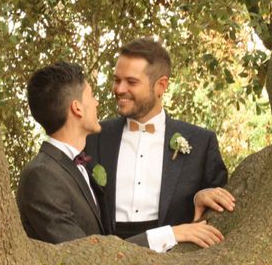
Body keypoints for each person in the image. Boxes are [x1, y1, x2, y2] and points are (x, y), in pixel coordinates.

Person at [16, 61, 224, 250]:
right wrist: (172, 233)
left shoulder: (73, 165)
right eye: (91, 96)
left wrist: (198, 196)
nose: (97, 103)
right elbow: (84, 256)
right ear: (77, 108)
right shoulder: (42, 176)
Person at [85, 38, 235, 252]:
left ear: (161, 86)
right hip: (104, 258)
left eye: (131, 82)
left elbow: (219, 210)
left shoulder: (201, 142)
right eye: (116, 80)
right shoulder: (93, 137)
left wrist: (198, 197)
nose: (119, 89)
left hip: (173, 261)